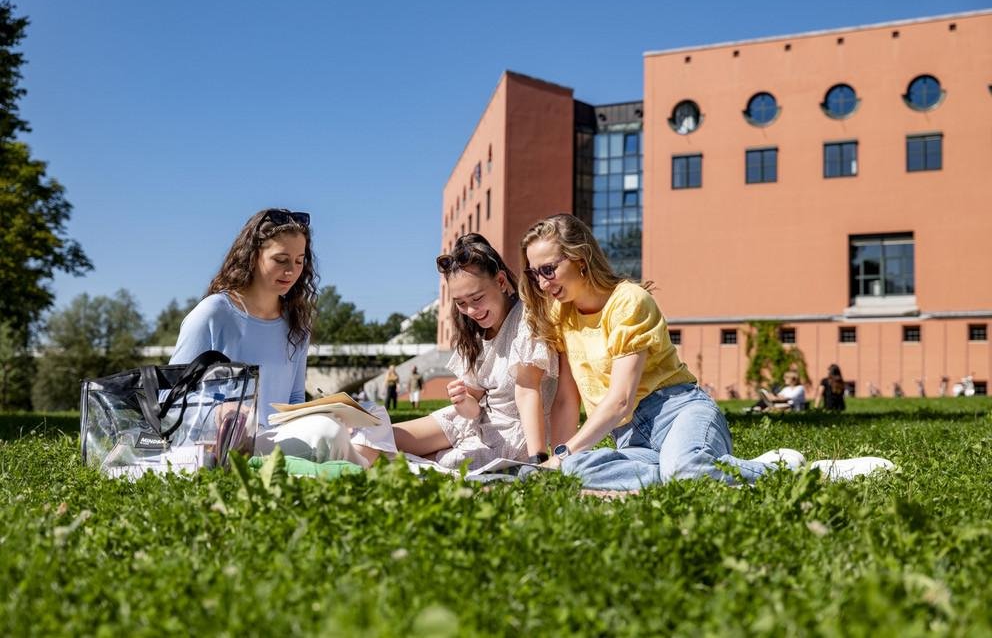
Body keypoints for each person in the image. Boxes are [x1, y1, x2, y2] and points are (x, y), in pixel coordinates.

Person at [518, 214, 804, 490]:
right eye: (535, 274)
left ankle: (782, 469)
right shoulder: (561, 314)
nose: (543, 284)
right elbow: (568, 399)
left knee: (685, 472)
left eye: (548, 270)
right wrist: (559, 465)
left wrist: (564, 456)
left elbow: (620, 402)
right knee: (578, 470)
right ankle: (699, 468)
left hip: (677, 412)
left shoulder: (629, 301)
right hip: (631, 439)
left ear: (580, 258)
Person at [170, 208, 392, 467]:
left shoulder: (296, 323)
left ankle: (345, 463)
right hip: (228, 443)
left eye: (299, 261)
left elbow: (295, 398)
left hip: (278, 436)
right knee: (327, 432)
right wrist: (219, 412)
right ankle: (356, 469)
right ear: (252, 256)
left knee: (373, 413)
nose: (291, 271)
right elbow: (170, 399)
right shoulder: (214, 313)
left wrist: (324, 412)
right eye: (281, 259)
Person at [392, 233, 562, 470]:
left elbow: (528, 391)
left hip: (510, 436)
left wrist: (539, 460)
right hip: (472, 422)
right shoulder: (474, 332)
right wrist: (463, 401)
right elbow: (473, 407)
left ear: (501, 281)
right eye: (461, 303)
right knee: (375, 439)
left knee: (399, 463)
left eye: (477, 298)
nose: (471, 310)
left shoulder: (526, 320)